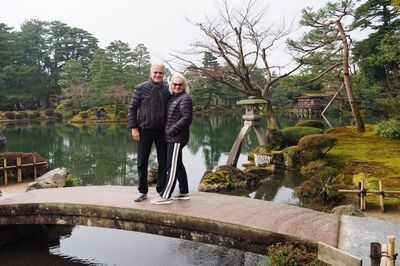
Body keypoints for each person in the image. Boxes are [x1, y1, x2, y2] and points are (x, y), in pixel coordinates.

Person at [128, 63, 170, 202]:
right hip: (144, 130)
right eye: (155, 72)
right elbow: (132, 109)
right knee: (142, 161)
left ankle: (162, 190)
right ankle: (142, 191)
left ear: (163, 74)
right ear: (150, 73)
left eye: (160, 73)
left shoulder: (167, 89)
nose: (157, 75)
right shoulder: (140, 88)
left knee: (163, 161)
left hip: (162, 131)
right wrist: (134, 128)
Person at [151, 74, 193, 205]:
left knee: (171, 166)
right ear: (171, 85)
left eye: (180, 84)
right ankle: (184, 191)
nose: (177, 86)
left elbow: (186, 118)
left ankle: (166, 195)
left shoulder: (185, 98)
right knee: (178, 164)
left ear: (184, 86)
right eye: (174, 84)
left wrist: (171, 130)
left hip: (177, 138)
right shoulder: (172, 97)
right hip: (171, 137)